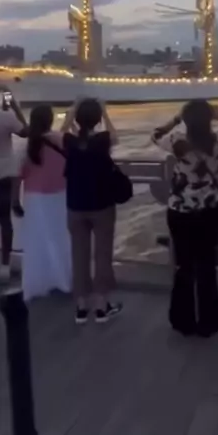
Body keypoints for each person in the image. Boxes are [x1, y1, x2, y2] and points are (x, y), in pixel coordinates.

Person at [152, 100, 218, 337]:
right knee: (207, 265)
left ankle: (182, 321)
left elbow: (155, 135)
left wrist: (175, 119)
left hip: (180, 210)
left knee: (184, 266)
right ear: (208, 119)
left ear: (186, 120)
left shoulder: (178, 141)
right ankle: (209, 323)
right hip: (211, 209)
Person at [63, 98, 121, 325]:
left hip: (75, 205)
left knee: (78, 256)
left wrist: (71, 114)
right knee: (103, 255)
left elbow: (62, 132)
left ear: (77, 119)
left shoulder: (69, 141)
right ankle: (101, 307)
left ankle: (80, 307)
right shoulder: (103, 140)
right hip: (102, 205)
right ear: (97, 119)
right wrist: (106, 113)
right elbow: (115, 136)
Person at [15, 105, 71, 301]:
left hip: (34, 198)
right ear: (50, 120)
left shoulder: (27, 146)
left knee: (37, 241)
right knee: (61, 238)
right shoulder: (61, 139)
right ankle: (63, 280)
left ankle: (39, 282)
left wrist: (15, 200)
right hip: (60, 195)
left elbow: (18, 176)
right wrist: (72, 115)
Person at [0, 89, 27, 282]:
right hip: (3, 174)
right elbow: (26, 132)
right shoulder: (6, 117)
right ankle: (5, 266)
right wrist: (15, 108)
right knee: (4, 220)